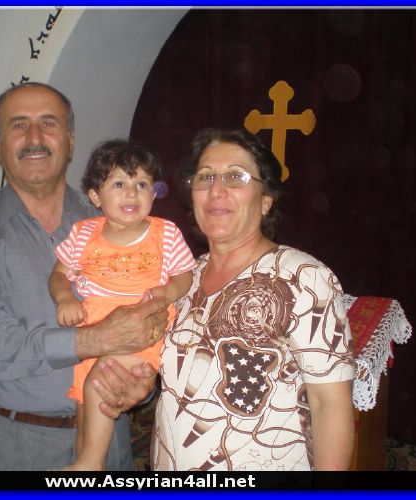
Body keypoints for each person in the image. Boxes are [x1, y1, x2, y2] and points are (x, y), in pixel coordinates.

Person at [0, 82, 168, 471]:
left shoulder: (120, 222)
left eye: (48, 123)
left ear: (70, 140)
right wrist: (92, 340)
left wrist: (143, 382)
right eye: (18, 125)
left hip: (108, 442)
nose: (34, 138)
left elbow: (153, 316)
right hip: (12, 445)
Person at [148, 127, 356, 471]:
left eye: (235, 176)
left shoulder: (303, 277)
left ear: (265, 200)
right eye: (205, 177)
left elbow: (328, 404)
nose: (216, 190)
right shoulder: (184, 277)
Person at [49, 139, 195, 470]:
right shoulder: (83, 234)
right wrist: (65, 297)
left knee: (101, 382)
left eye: (141, 184)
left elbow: (185, 276)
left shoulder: (165, 234)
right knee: (85, 408)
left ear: (153, 193)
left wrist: (167, 293)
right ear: (95, 196)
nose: (131, 193)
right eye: (119, 184)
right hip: (92, 331)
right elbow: (58, 275)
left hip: (142, 329)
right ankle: (85, 467)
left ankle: (90, 463)